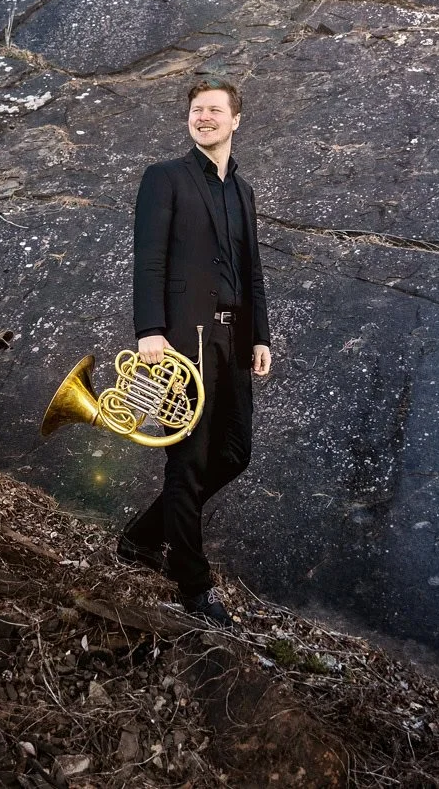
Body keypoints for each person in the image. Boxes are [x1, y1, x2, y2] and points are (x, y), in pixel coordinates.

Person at [117, 76, 273, 625]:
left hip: (234, 342)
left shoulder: (244, 191)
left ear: (236, 120)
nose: (203, 117)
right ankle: (192, 583)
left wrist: (260, 336)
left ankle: (140, 539)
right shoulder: (165, 179)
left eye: (213, 110)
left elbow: (252, 270)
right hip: (186, 342)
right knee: (187, 464)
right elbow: (149, 261)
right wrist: (149, 331)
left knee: (235, 455)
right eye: (196, 110)